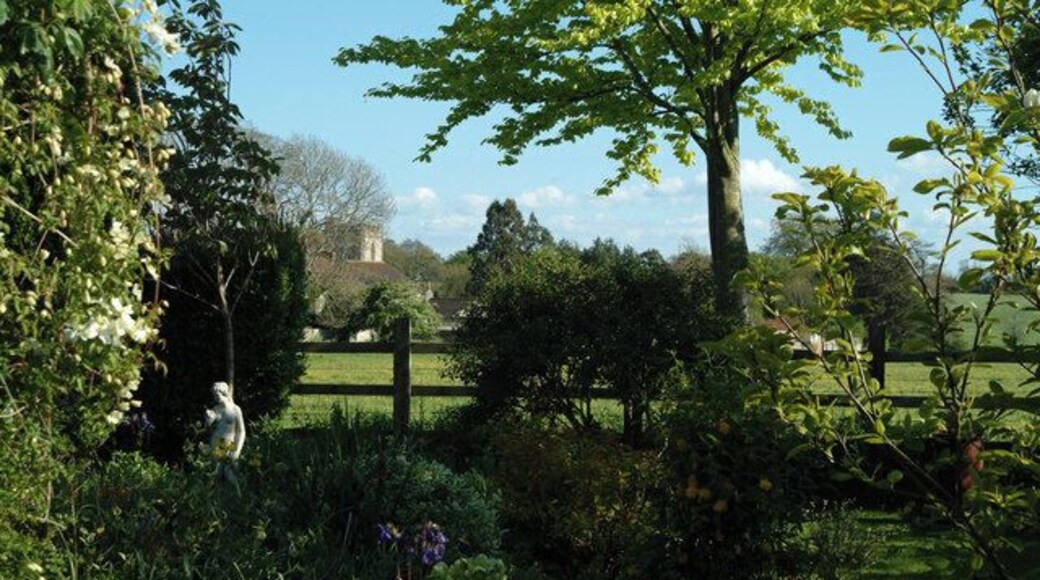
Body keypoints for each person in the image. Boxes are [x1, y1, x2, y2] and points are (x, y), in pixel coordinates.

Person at [205, 381, 245, 484]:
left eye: (217, 394)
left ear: (224, 393)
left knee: (230, 473)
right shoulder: (215, 410)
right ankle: (217, 498)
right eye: (214, 394)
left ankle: (238, 496)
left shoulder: (235, 409)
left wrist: (237, 450)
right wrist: (207, 421)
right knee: (216, 474)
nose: (216, 397)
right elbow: (208, 430)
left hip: (229, 444)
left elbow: (241, 431)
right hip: (216, 443)